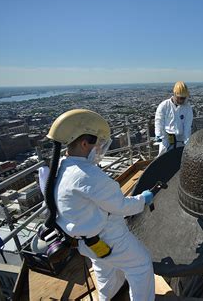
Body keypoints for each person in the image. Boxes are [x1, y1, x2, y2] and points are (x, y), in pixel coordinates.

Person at [43, 109, 155, 301]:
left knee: (105, 269)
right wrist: (144, 199)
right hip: (109, 237)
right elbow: (121, 206)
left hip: (88, 241)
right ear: (85, 143)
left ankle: (108, 298)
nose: (100, 149)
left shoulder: (63, 168)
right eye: (98, 143)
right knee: (140, 265)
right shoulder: (88, 176)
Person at [155, 81, 193, 155]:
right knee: (163, 157)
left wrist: (187, 140)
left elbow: (187, 126)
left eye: (184, 98)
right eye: (180, 98)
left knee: (180, 157)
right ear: (174, 94)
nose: (182, 100)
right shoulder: (164, 106)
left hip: (180, 138)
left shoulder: (187, 108)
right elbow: (159, 121)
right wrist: (159, 134)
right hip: (167, 138)